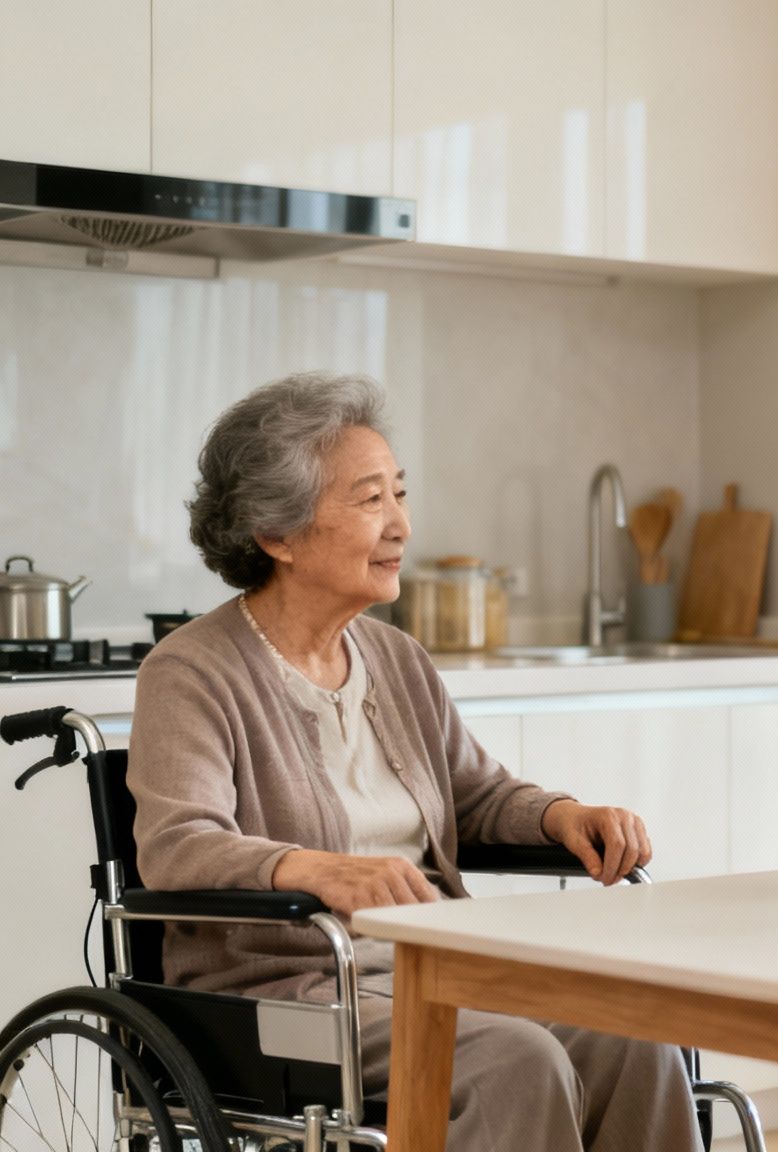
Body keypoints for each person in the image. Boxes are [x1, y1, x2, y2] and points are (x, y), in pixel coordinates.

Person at [128, 373, 698, 1152]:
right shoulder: (191, 672)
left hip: (431, 968)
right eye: (369, 500)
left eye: (400, 493)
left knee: (635, 1035)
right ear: (278, 534)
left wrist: (563, 815)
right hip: (282, 998)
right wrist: (315, 869)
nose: (400, 523)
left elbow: (478, 794)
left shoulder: (395, 658)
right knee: (513, 1060)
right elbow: (177, 845)